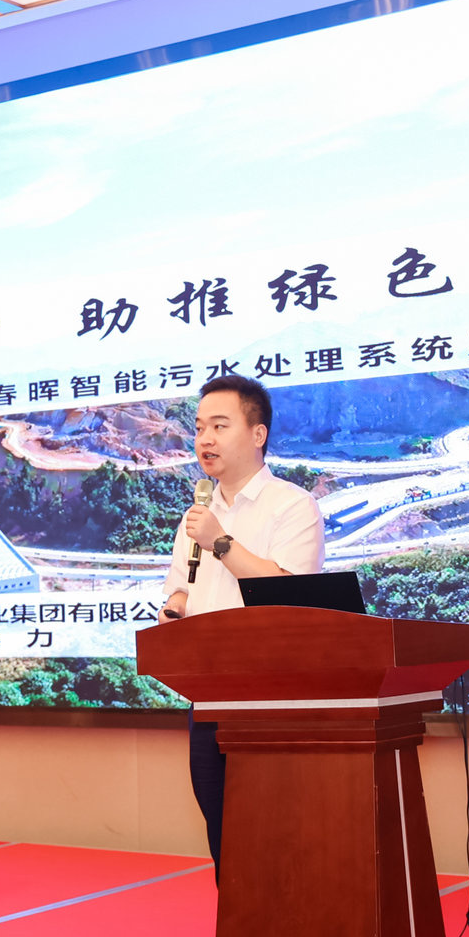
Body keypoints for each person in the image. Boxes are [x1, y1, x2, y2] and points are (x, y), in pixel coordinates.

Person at [159, 375, 324, 882]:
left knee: (275, 843)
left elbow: (292, 595)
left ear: (257, 434)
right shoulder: (197, 516)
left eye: (219, 426)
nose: (204, 439)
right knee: (224, 842)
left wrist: (221, 542)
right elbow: (181, 591)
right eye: (199, 428)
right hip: (208, 700)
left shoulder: (292, 505)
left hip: (273, 705)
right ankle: (239, 933)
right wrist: (174, 609)